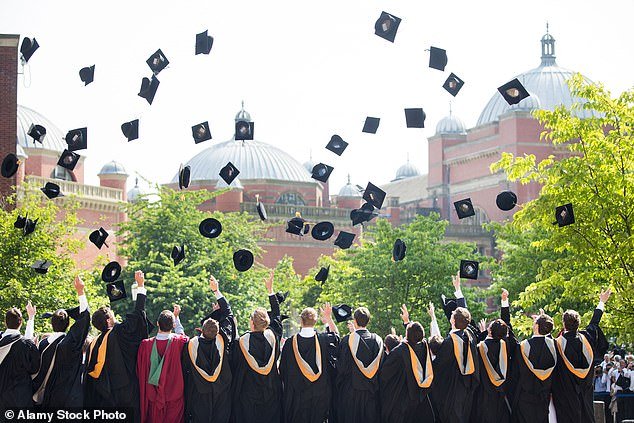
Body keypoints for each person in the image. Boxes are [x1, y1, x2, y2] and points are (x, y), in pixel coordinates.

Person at [84, 270, 153, 422]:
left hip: (106, 396)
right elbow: (138, 316)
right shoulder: (119, 333)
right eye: (112, 314)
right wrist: (140, 286)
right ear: (108, 320)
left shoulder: (94, 343)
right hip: (127, 390)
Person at [552, 288, 612, 423]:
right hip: (585, 393)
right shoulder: (587, 339)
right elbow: (594, 323)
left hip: (565, 396)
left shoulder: (557, 344)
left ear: (564, 324)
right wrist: (601, 302)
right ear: (578, 324)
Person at [231, 271, 283, 423]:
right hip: (271, 390)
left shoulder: (242, 342)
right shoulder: (273, 336)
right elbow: (277, 315)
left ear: (252, 323)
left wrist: (233, 326)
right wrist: (270, 291)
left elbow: (234, 363)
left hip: (249, 394)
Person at [182, 275, 235, 423]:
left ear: (202, 330)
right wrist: (216, 291)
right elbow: (228, 313)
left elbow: (185, 368)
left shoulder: (191, 345)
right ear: (218, 331)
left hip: (200, 394)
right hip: (222, 392)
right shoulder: (223, 340)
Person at [32, 275, 91, 407]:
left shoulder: (42, 344)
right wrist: (80, 292)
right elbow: (84, 319)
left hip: (48, 398)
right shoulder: (69, 343)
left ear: (51, 323)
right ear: (68, 324)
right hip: (69, 398)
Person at [432, 271, 480, 423]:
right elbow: (465, 317)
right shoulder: (470, 336)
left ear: (452, 321)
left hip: (451, 392)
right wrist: (458, 290)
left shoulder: (449, 343)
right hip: (467, 389)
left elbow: (437, 367)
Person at [279, 303, 340, 423]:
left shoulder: (290, 343)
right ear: (315, 321)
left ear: (301, 321)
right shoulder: (325, 340)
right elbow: (337, 337)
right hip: (320, 396)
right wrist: (328, 319)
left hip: (297, 398)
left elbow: (283, 371)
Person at [137, 303, 187, 423]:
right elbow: (182, 334)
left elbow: (139, 372)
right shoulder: (180, 342)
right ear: (173, 325)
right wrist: (177, 318)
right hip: (174, 397)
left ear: (157, 323)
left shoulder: (145, 345)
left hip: (153, 397)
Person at [380, 318, 435, 423]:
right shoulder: (424, 346)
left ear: (407, 334)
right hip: (421, 395)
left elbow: (384, 375)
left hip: (404, 398)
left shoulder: (399, 352)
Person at [471, 288, 514, 423]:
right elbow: (507, 324)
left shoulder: (479, 348)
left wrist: (482, 333)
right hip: (502, 396)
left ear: (489, 331)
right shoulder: (506, 345)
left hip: (483, 397)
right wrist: (504, 302)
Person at [335, 306, 384, 423]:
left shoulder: (347, 340)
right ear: (368, 321)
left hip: (350, 393)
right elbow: (382, 369)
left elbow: (341, 368)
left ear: (355, 321)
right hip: (371, 393)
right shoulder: (377, 340)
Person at [510, 309, 557, 423]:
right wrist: (543, 321)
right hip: (544, 396)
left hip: (525, 396)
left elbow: (515, 373)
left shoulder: (522, 347)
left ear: (536, 327)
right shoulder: (554, 346)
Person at [0, 302, 39, 410]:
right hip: (21, 397)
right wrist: (31, 318)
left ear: (5, 322)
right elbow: (35, 368)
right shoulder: (26, 344)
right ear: (21, 322)